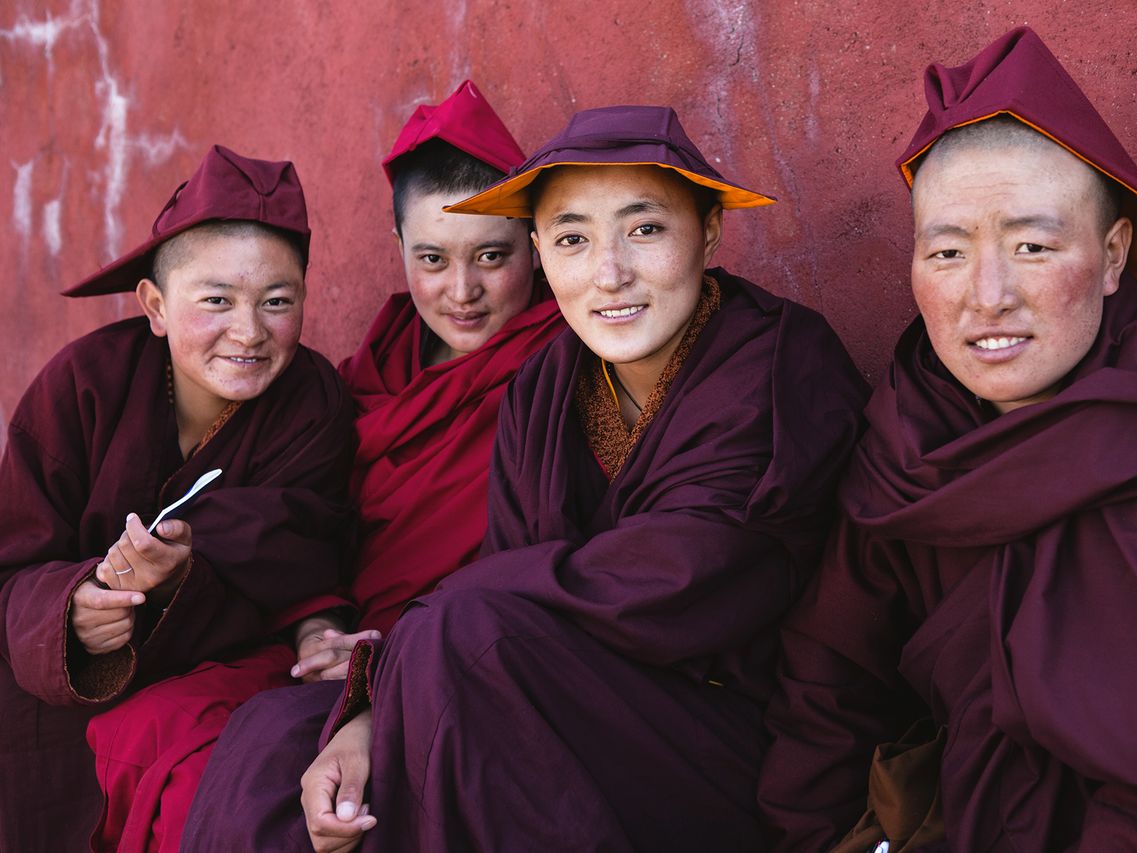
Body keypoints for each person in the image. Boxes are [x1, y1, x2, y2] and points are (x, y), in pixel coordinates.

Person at [184, 105, 870, 852]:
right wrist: (372, 709)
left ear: (707, 231)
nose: (609, 273)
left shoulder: (774, 361)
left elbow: (683, 578)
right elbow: (512, 582)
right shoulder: (546, 384)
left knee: (459, 643)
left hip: (724, 734)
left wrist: (409, 651)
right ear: (541, 251)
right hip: (570, 700)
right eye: (574, 239)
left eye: (644, 230)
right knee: (273, 740)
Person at [757, 26, 1137, 852]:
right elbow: (829, 682)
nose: (986, 296)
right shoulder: (905, 443)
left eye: (1033, 247)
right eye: (949, 252)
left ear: (1113, 257)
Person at [86, 82, 565, 853]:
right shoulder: (370, 372)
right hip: (338, 646)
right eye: (432, 258)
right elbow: (318, 530)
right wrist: (324, 627)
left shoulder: (560, 370)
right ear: (398, 245)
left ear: (535, 249)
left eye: (492, 257)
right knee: (151, 725)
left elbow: (541, 554)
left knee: (259, 779)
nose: (462, 290)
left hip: (449, 655)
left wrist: (384, 652)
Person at [0, 145, 353, 851]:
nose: (250, 332)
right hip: (57, 683)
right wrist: (75, 609)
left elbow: (304, 550)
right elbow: (15, 557)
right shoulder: (83, 385)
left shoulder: (312, 400)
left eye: (278, 301)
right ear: (155, 306)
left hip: (210, 664)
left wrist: (178, 583)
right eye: (216, 300)